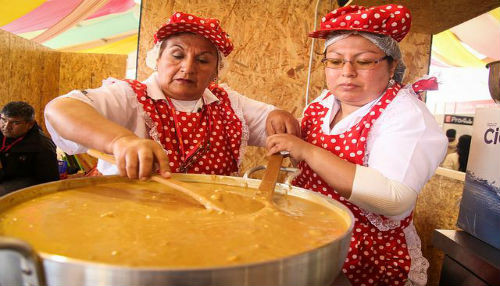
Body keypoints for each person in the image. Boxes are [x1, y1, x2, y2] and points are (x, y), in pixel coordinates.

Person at [266, 4, 447, 286]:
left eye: (363, 61)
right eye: (336, 61)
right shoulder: (324, 103)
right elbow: (309, 159)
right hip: (314, 238)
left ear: (392, 66)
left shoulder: (405, 114)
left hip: (367, 257)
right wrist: (287, 127)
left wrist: (309, 151)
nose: (347, 72)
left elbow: (393, 198)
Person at [45, 12, 299, 179]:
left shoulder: (228, 103)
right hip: (131, 220)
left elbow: (273, 124)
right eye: (177, 55)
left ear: (215, 71)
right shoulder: (129, 96)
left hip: (211, 223)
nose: (188, 68)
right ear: (157, 59)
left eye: (203, 60)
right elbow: (60, 109)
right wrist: (120, 141)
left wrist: (277, 115)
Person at [0, 101, 59, 195]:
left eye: (15, 123)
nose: (6, 127)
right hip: (5, 175)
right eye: (3, 120)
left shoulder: (42, 146)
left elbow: (50, 183)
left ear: (30, 125)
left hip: (28, 181)